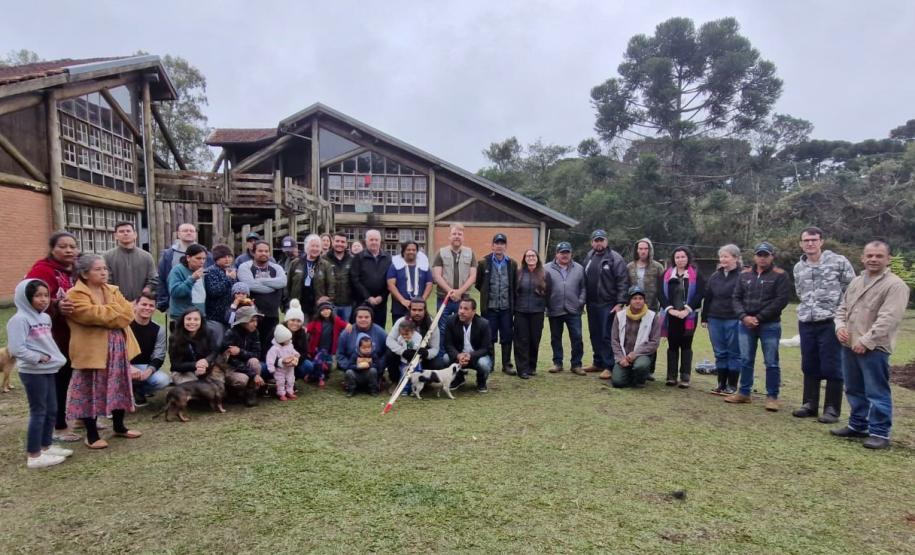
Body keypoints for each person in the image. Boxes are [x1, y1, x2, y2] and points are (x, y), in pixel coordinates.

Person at [831, 241, 909, 450]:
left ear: (888, 259)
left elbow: (889, 318)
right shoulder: (856, 282)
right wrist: (839, 327)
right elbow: (842, 308)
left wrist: (867, 341)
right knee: (853, 388)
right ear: (863, 258)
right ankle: (858, 425)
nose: (873, 259)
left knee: (876, 391)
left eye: (879, 256)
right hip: (849, 344)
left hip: (875, 347)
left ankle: (879, 433)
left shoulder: (895, 285)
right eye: (870, 255)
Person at [65, 254, 142, 450]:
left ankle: (119, 426)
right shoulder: (74, 295)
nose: (104, 272)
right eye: (98, 269)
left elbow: (128, 314)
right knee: (90, 389)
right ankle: (92, 435)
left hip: (117, 347)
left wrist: (112, 312)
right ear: (84, 274)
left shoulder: (113, 290)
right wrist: (116, 311)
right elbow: (92, 315)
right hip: (91, 351)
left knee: (119, 384)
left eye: (105, 268)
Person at [792, 227, 856, 423]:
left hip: (831, 321)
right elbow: (800, 292)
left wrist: (843, 318)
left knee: (832, 365)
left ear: (821, 241)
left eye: (814, 239)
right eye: (806, 240)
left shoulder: (838, 262)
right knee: (809, 363)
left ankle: (832, 408)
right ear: (801, 243)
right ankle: (810, 404)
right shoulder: (799, 267)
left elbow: (852, 289)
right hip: (807, 321)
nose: (810, 243)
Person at [7, 279, 72, 468]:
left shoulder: (45, 318)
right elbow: (16, 349)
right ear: (25, 298)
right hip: (33, 372)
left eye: (46, 295)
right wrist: (38, 358)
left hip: (49, 368)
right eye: (37, 296)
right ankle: (34, 455)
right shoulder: (19, 320)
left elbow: (46, 342)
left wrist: (51, 359)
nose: (43, 300)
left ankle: (46, 446)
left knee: (52, 409)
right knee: (39, 411)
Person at [26, 231, 80, 443]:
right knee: (59, 380)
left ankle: (81, 416)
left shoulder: (77, 270)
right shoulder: (42, 271)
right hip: (53, 336)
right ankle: (59, 425)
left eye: (72, 246)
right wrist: (56, 305)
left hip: (76, 334)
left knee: (76, 377)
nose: (68, 250)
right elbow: (30, 299)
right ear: (52, 249)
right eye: (62, 246)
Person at [725, 242, 791, 411]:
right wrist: (744, 317)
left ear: (772, 256)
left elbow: (781, 300)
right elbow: (736, 297)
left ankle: (772, 396)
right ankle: (744, 392)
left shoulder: (780, 275)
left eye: (766, 255)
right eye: (759, 255)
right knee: (746, 359)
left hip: (770, 324)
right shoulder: (744, 274)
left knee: (771, 362)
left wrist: (759, 318)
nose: (762, 258)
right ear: (754, 256)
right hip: (745, 324)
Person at [582, 229, 629, 379]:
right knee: (594, 334)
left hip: (608, 304)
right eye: (596, 240)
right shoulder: (589, 256)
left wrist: (620, 303)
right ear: (592, 242)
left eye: (601, 240)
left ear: (606, 241)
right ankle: (598, 362)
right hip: (591, 303)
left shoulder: (615, 258)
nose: (599, 243)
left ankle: (609, 365)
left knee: (606, 335)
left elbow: (623, 281)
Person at [658, 246, 704, 388]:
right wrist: (670, 309)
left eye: (683, 256)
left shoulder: (696, 274)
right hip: (671, 315)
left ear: (688, 258)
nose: (680, 259)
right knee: (672, 345)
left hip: (689, 316)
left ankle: (685, 376)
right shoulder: (666, 274)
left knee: (686, 344)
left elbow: (700, 293)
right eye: (677, 257)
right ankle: (671, 376)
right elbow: (660, 293)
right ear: (674, 259)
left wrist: (687, 309)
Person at [702, 244, 743, 395]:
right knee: (719, 352)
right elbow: (708, 297)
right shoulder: (715, 276)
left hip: (734, 318)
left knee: (734, 352)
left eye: (726, 256)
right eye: (721, 256)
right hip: (715, 318)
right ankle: (721, 383)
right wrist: (704, 317)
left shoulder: (742, 276)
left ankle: (732, 385)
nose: (723, 259)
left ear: (736, 258)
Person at [476, 233, 518, 375]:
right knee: (490, 337)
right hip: (490, 308)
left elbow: (514, 285)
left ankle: (507, 365)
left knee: (507, 336)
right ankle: (491, 363)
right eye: (497, 243)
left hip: (506, 308)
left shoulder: (512, 264)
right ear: (492, 246)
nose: (499, 246)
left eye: (502, 243)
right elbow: (479, 284)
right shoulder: (483, 263)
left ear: (505, 246)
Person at [238, 241, 287, 359]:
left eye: (266, 251)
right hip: (252, 315)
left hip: (272, 314)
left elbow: (282, 282)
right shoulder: (245, 267)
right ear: (253, 252)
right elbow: (250, 285)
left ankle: (267, 366)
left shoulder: (277, 268)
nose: (264, 253)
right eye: (260, 251)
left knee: (269, 344)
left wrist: (260, 281)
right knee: (251, 344)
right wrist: (273, 286)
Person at [544, 242, 586, 375]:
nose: (565, 255)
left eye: (567, 252)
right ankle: (557, 363)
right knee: (555, 337)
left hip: (574, 309)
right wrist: (547, 303)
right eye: (562, 252)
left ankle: (576, 364)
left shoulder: (579, 268)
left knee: (577, 337)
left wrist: (580, 302)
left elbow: (584, 288)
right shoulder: (546, 268)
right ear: (556, 254)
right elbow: (542, 288)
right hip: (554, 308)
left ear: (571, 253)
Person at [610, 286, 661, 388]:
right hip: (624, 355)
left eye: (640, 298)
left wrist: (635, 354)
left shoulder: (652, 316)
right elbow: (614, 340)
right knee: (617, 382)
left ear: (644, 300)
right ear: (629, 301)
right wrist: (620, 358)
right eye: (634, 298)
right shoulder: (620, 315)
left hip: (642, 355)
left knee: (641, 366)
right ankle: (629, 373)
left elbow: (654, 342)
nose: (638, 301)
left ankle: (639, 379)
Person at [432, 223, 477, 338]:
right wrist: (450, 292)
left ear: (463, 237)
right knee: (442, 328)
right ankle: (442, 350)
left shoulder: (470, 253)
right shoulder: (441, 253)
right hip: (444, 298)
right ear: (449, 236)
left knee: (463, 328)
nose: (457, 236)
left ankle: (460, 350)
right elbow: (437, 275)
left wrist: (459, 292)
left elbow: (473, 276)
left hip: (464, 299)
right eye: (454, 234)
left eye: (459, 234)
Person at [443, 296, 493, 393]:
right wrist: (458, 355)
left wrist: (470, 355)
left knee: (484, 364)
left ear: (474, 311)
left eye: (466, 309)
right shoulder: (450, 321)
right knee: (446, 358)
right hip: (459, 356)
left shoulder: (484, 324)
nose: (461, 311)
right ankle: (459, 379)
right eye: (460, 308)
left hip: (477, 356)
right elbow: (448, 344)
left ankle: (481, 381)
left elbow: (486, 348)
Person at [386, 297, 443, 383]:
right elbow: (389, 340)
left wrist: (427, 353)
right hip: (403, 356)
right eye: (414, 310)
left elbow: (435, 348)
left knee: (438, 363)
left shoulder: (432, 325)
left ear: (425, 310)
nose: (417, 313)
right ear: (409, 309)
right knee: (389, 354)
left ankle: (425, 382)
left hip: (422, 357)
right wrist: (402, 351)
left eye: (420, 310)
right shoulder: (401, 321)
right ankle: (396, 381)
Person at [129, 293, 170, 407]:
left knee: (163, 380)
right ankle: (125, 392)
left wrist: (149, 371)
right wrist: (128, 367)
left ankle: (139, 391)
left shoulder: (159, 330)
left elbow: (159, 355)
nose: (147, 308)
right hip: (124, 366)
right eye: (144, 304)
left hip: (145, 367)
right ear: (135, 306)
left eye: (151, 306)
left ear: (155, 308)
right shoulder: (125, 326)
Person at [219, 305, 265, 407]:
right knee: (242, 379)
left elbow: (257, 354)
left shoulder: (255, 332)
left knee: (255, 362)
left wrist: (240, 351)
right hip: (231, 367)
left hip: (246, 365)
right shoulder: (230, 333)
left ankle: (251, 393)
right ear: (242, 322)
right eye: (251, 321)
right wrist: (253, 374)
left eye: (256, 320)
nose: (255, 324)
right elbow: (230, 360)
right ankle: (232, 392)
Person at [157, 223, 208, 312]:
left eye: (192, 231)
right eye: (185, 231)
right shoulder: (169, 254)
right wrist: (164, 300)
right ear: (178, 234)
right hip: (177, 303)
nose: (189, 233)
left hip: (199, 305)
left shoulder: (205, 253)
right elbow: (162, 278)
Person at [513, 249, 547, 379]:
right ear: (524, 258)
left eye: (533, 255)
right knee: (522, 341)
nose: (531, 258)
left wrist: (545, 307)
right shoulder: (518, 273)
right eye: (528, 256)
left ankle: (532, 367)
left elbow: (549, 292)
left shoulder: (544, 274)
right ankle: (522, 369)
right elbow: (513, 291)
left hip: (537, 312)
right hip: (521, 312)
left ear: (537, 258)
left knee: (534, 340)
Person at [103, 221, 157, 302]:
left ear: (135, 234)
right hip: (115, 303)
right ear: (115, 236)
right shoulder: (107, 257)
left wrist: (146, 291)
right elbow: (106, 281)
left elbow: (153, 279)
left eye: (128, 231)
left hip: (140, 304)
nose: (125, 233)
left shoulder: (146, 257)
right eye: (121, 231)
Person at [337, 305, 388, 391]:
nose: (363, 319)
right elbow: (340, 354)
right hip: (353, 369)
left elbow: (387, 353)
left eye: (366, 317)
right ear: (355, 318)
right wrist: (350, 366)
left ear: (371, 318)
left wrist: (378, 367)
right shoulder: (346, 333)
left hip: (374, 369)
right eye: (360, 317)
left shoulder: (381, 333)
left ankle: (376, 381)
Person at [350, 229, 392, 328]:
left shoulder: (387, 258)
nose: (374, 242)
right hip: (362, 302)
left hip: (380, 303)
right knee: (362, 328)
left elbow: (390, 280)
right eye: (371, 240)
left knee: (379, 329)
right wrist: (368, 297)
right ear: (366, 241)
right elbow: (355, 279)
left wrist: (382, 296)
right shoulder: (358, 258)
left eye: (376, 240)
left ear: (380, 241)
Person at [304, 297, 349, 387]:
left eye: (328, 309)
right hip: (317, 348)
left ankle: (320, 374)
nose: (326, 311)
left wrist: (349, 326)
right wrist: (304, 329)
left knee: (327, 364)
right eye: (323, 310)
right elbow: (308, 327)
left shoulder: (335, 320)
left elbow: (345, 325)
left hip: (329, 348)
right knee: (317, 362)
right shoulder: (316, 321)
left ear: (331, 310)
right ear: (319, 312)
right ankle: (318, 377)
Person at [168, 307, 217, 386]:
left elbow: (214, 351)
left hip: (205, 368)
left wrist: (206, 361)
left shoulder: (208, 333)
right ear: (183, 320)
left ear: (201, 321)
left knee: (217, 386)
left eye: (196, 319)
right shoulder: (175, 338)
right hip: (183, 372)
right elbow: (175, 365)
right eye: (188, 319)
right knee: (195, 388)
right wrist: (196, 365)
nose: (192, 322)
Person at [287, 234, 330, 321]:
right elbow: (288, 285)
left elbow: (331, 285)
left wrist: (328, 300)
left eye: (317, 246)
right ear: (306, 247)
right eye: (312, 246)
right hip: (299, 304)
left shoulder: (325, 265)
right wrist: (286, 304)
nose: (315, 249)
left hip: (317, 306)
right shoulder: (295, 263)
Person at [387, 241, 433, 321]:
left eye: (413, 250)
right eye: (408, 250)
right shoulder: (395, 266)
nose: (411, 252)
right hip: (399, 308)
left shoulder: (424, 265)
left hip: (419, 310)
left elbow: (429, 284)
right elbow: (391, 285)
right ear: (403, 251)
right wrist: (402, 300)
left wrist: (421, 301)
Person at [167, 243, 208, 325]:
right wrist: (192, 279)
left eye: (204, 259)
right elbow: (175, 292)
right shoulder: (177, 270)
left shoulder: (201, 270)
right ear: (188, 258)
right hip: (181, 316)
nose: (202, 261)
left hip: (199, 315)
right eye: (198, 258)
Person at [203, 244, 237, 344]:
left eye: (229, 256)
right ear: (216, 259)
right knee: (217, 343)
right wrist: (228, 279)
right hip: (215, 316)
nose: (227, 259)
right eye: (223, 257)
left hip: (230, 315)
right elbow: (213, 292)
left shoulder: (232, 270)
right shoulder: (211, 271)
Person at [324, 232, 356, 322]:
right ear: (332, 242)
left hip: (348, 304)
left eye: (342, 242)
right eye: (337, 241)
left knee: (346, 328)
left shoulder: (352, 260)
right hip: (330, 303)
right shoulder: (324, 259)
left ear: (346, 244)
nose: (340, 244)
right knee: (331, 327)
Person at [626, 238, 664, 311]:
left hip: (652, 308)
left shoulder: (658, 267)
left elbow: (663, 289)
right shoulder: (629, 267)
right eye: (640, 249)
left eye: (646, 249)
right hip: (633, 308)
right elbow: (625, 287)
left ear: (650, 250)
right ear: (637, 250)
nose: (643, 251)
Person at [265, 324, 300, 401]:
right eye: (287, 339)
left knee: (291, 380)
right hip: (280, 369)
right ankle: (281, 393)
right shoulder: (274, 348)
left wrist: (296, 355)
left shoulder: (290, 345)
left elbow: (293, 351)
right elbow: (270, 358)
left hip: (290, 368)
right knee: (280, 381)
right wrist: (271, 368)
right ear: (281, 340)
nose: (289, 340)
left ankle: (290, 391)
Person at [283, 299, 313, 384]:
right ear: (287, 320)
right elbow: (268, 350)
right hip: (279, 360)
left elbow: (304, 352)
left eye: (299, 321)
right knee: (264, 367)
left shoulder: (302, 333)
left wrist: (295, 360)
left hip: (294, 361)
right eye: (292, 320)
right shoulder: (278, 330)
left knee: (308, 366)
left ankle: (292, 378)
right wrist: (281, 361)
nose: (295, 323)